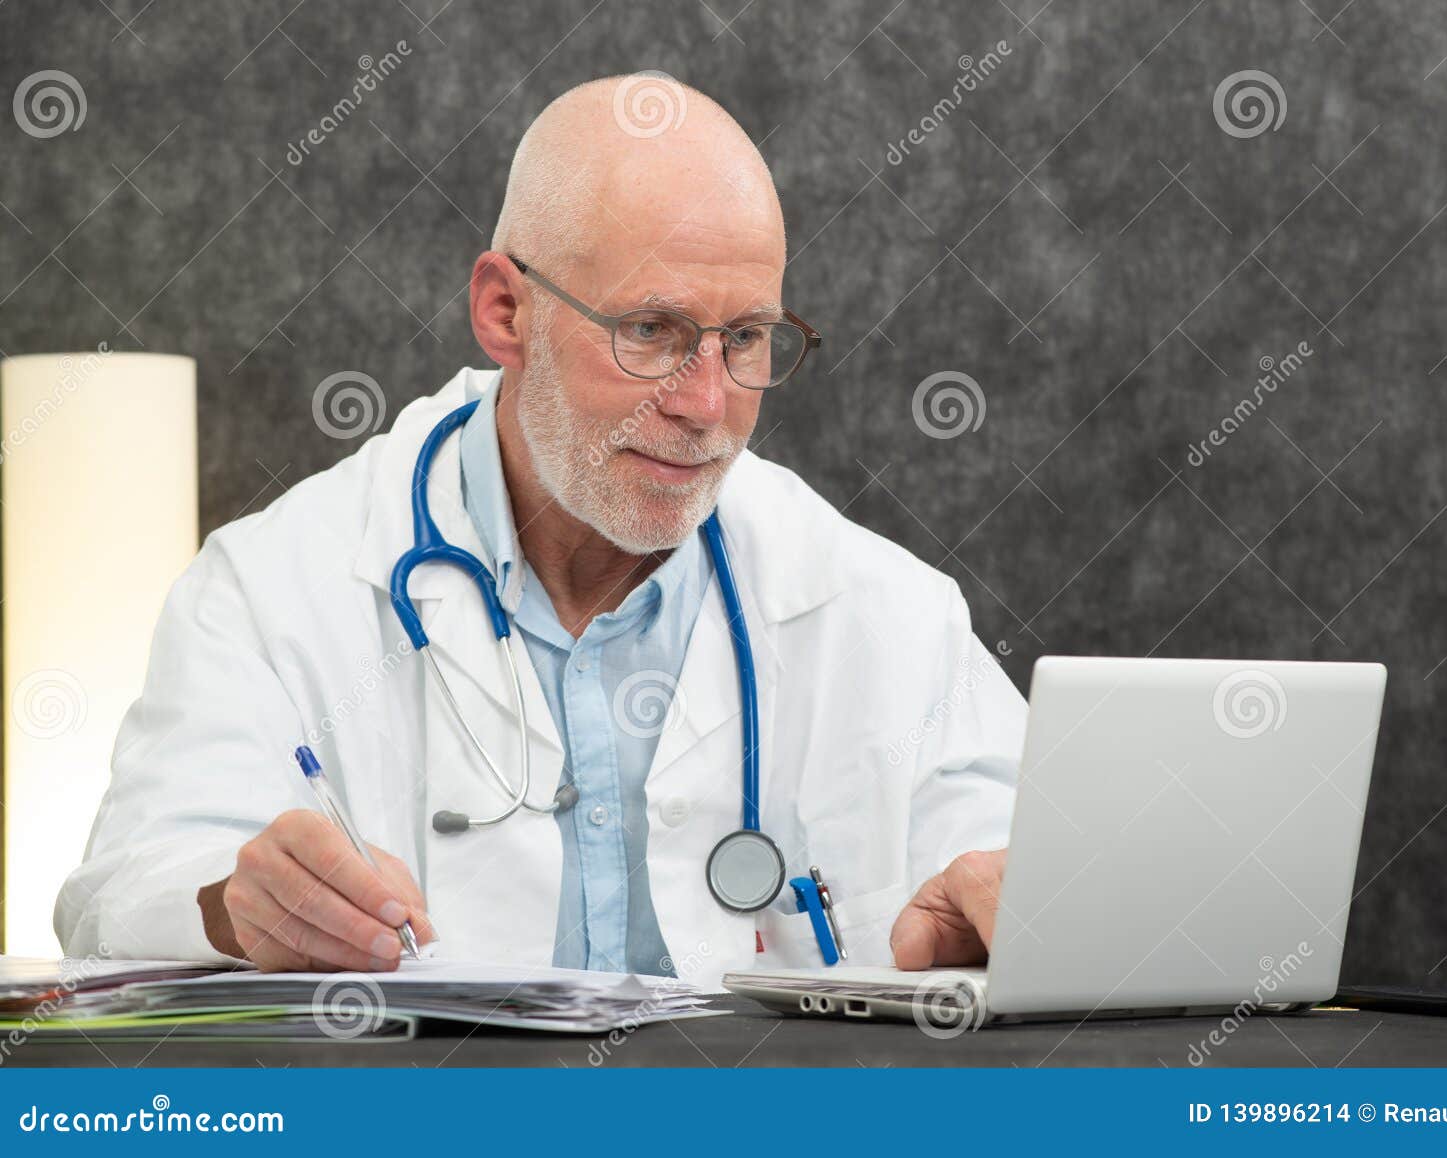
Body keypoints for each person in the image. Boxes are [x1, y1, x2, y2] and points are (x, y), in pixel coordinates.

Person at [54, 76, 1024, 989]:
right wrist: (235, 906)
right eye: (651, 330)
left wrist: (1015, 900)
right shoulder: (270, 590)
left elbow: (1023, 856)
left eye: (745, 337)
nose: (707, 403)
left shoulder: (887, 613)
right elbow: (115, 893)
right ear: (504, 310)